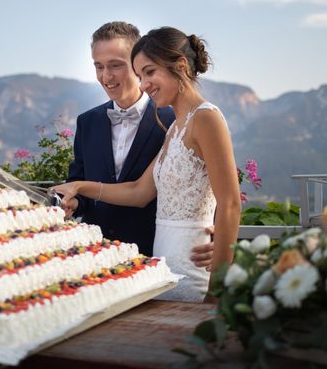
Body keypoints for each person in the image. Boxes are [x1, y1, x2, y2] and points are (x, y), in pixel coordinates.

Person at [54, 26, 241, 302]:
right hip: (161, 270)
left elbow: (230, 203)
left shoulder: (206, 118)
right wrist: (78, 186)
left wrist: (218, 291)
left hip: (193, 269)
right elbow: (139, 192)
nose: (143, 84)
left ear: (180, 65)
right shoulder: (175, 128)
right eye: (141, 75)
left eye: (150, 72)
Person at [64, 21, 213, 268]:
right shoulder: (86, 122)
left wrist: (219, 236)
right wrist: (74, 202)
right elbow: (80, 189)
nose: (106, 76)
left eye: (115, 65)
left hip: (159, 258)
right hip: (96, 261)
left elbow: (210, 185)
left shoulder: (175, 120)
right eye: (99, 66)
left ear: (136, 65)